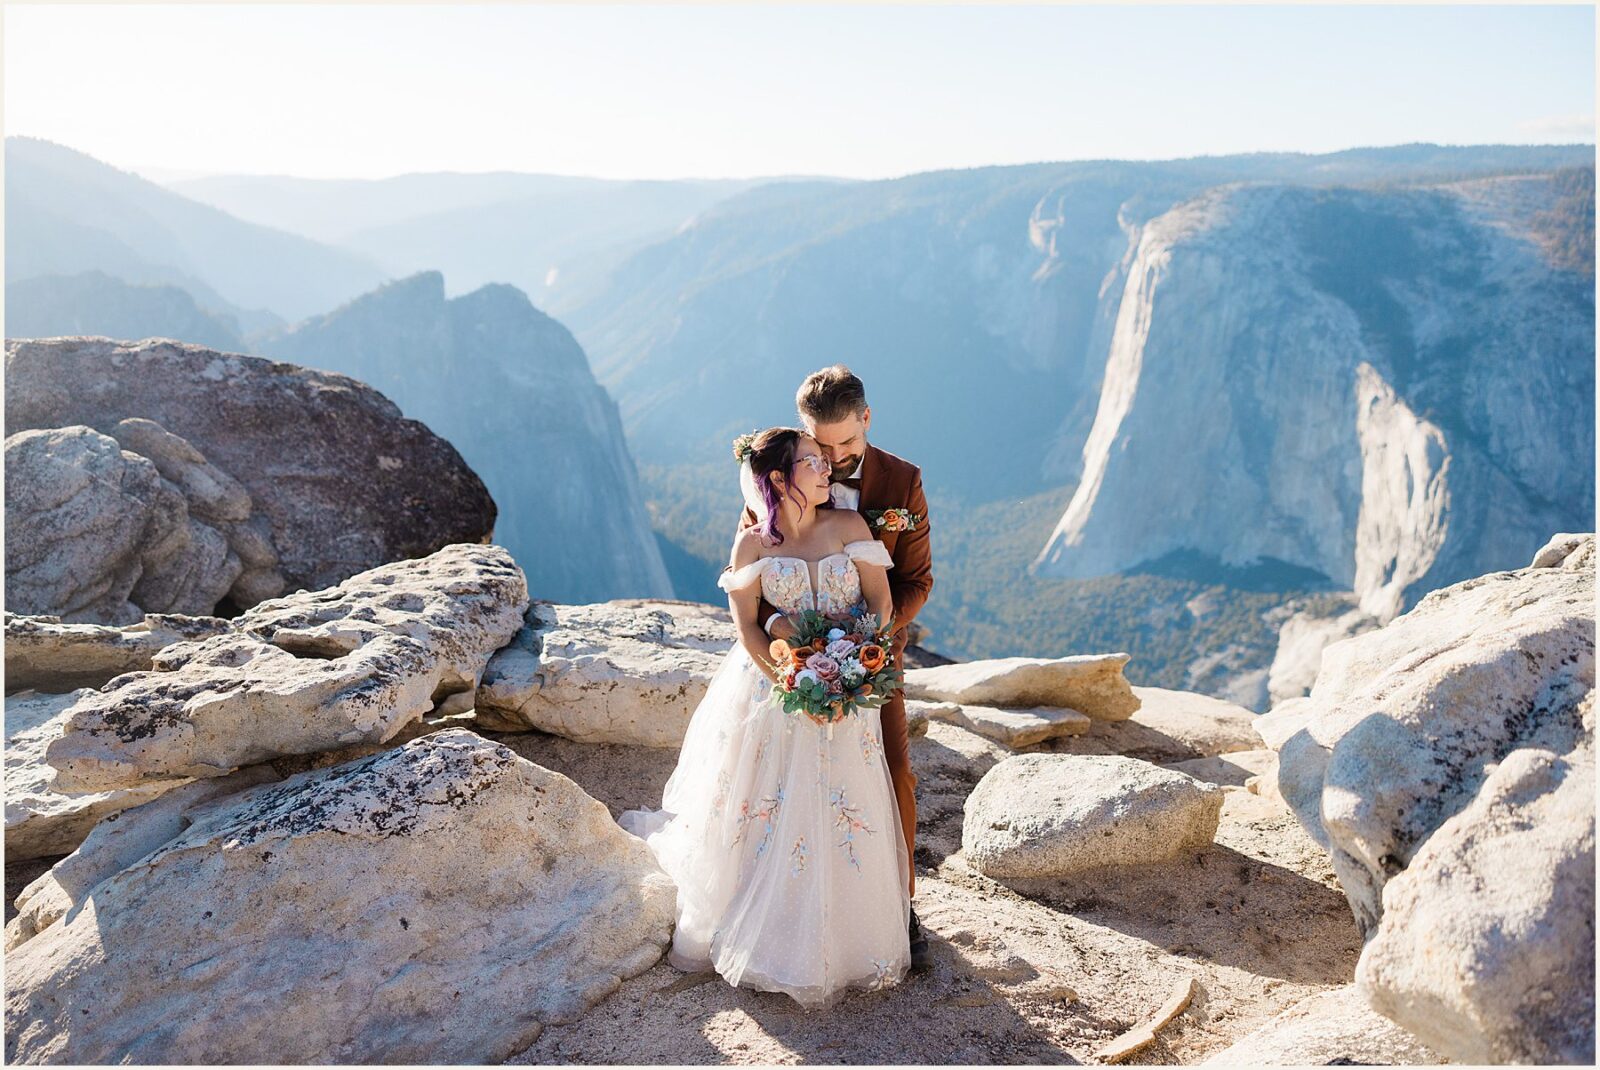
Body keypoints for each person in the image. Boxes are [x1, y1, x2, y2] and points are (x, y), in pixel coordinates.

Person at [619, 426, 912, 1008]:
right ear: (778, 478)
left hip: (846, 685)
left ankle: (846, 940)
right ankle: (757, 927)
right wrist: (789, 678)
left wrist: (853, 661)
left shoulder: (850, 528)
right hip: (775, 692)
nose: (827, 468)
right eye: (812, 462)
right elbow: (748, 627)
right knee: (764, 805)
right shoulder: (753, 545)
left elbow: (880, 601)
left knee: (841, 806)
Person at [737, 365, 934, 970]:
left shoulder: (901, 483)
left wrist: (862, 647)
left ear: (867, 420)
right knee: (779, 781)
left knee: (893, 768)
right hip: (792, 662)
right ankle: (782, 895)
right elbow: (761, 579)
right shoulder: (777, 480)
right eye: (820, 446)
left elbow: (916, 580)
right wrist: (788, 644)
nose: (833, 458)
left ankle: (897, 905)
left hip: (872, 653)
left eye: (846, 444)